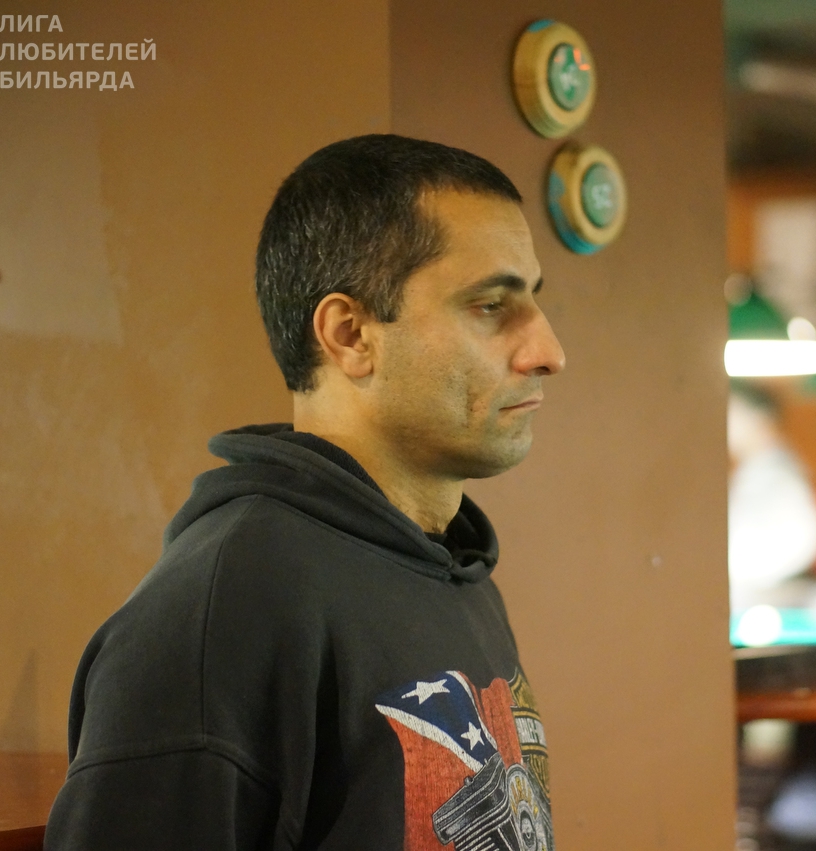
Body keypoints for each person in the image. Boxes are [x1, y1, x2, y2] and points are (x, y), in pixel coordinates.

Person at [45, 135, 565, 851]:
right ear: (350, 335)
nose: (548, 352)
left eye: (533, 301)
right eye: (489, 306)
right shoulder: (226, 612)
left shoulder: (455, 572)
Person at [727, 382, 816, 613]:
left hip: (767, 601)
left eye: (732, 413)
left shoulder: (778, 476)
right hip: (753, 597)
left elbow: (805, 538)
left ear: (758, 417)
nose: (727, 424)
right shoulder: (757, 471)